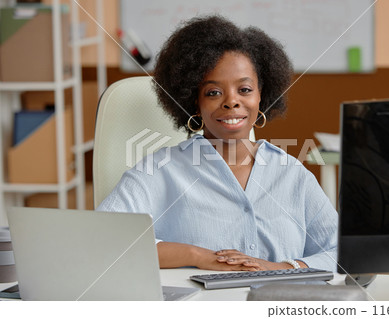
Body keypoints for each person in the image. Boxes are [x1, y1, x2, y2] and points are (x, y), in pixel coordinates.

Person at [97, 15, 337, 272]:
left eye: (244, 90)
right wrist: (197, 256)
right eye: (213, 92)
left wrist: (283, 267)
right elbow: (103, 238)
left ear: (261, 97)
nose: (231, 101)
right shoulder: (160, 170)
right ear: (194, 103)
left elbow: (340, 251)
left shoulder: (293, 174)